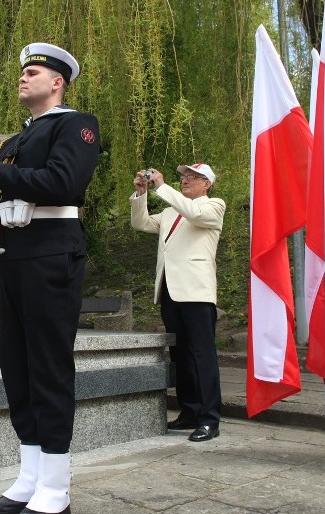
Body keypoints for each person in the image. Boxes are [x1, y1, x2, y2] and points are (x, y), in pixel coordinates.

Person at [0, 42, 100, 514]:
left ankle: (56, 487)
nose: (23, 78)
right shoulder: (14, 140)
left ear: (57, 82)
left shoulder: (77, 126)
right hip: (11, 258)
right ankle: (29, 476)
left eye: (33, 71)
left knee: (47, 367)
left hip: (50, 255)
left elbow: (65, 183)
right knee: (16, 370)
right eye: (21, 71)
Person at [130, 163, 225, 442]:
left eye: (193, 178)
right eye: (183, 177)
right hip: (170, 290)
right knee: (181, 354)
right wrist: (141, 194)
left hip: (196, 291)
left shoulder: (213, 206)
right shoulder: (172, 210)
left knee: (202, 355)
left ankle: (210, 418)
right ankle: (190, 411)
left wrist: (162, 186)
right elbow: (142, 223)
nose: (186, 181)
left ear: (206, 184)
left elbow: (193, 212)